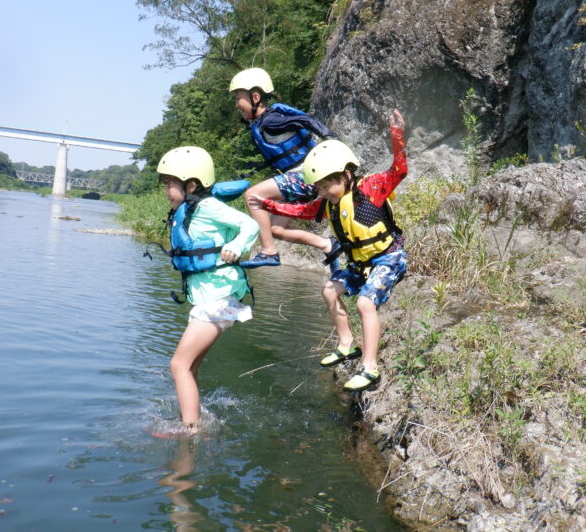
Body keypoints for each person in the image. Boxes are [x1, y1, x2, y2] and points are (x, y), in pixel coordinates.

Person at [248, 110, 407, 391]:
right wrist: (270, 206)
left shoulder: (371, 188)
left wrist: (397, 137)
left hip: (389, 257)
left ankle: (370, 367)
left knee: (365, 303)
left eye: (327, 184)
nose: (323, 191)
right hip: (361, 264)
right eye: (319, 186)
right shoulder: (328, 202)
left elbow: (399, 170)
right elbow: (302, 210)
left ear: (346, 175)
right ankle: (347, 345)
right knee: (329, 290)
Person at [158, 146, 259, 430]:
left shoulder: (208, 206)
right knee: (189, 367)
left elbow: (249, 225)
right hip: (209, 301)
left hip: (219, 300)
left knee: (178, 365)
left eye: (170, 183)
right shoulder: (190, 210)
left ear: (191, 185)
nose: (166, 190)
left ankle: (190, 431)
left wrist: (237, 246)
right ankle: (193, 418)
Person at [229, 67, 340, 269]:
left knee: (252, 196)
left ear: (255, 97)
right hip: (298, 178)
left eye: (238, 98)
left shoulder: (270, 120)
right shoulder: (262, 122)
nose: (237, 105)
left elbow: (305, 120)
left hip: (305, 177)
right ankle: (327, 245)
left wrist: (331, 138)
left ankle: (268, 252)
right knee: (274, 229)